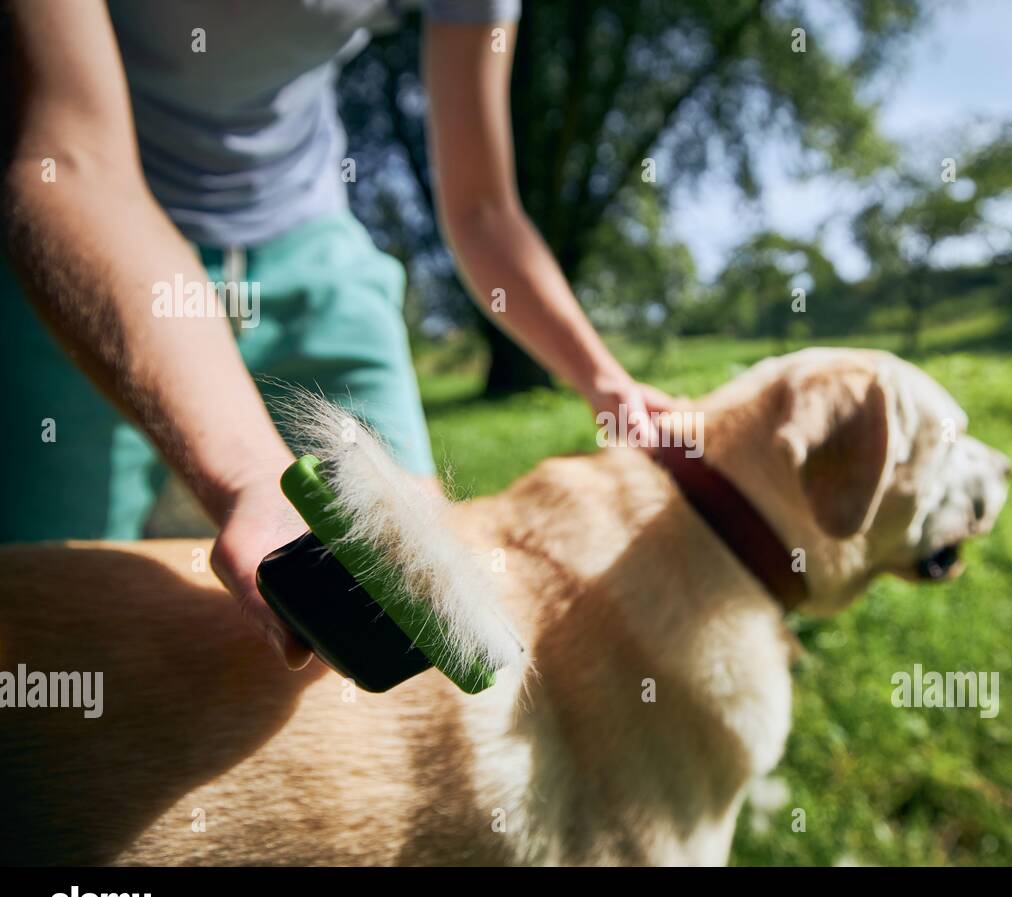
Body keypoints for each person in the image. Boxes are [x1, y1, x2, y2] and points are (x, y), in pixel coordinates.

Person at [0, 0, 670, 669]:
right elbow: (69, 159)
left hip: (312, 249)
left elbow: (483, 208)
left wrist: (603, 380)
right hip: (93, 239)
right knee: (50, 637)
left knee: (415, 596)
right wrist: (250, 477)